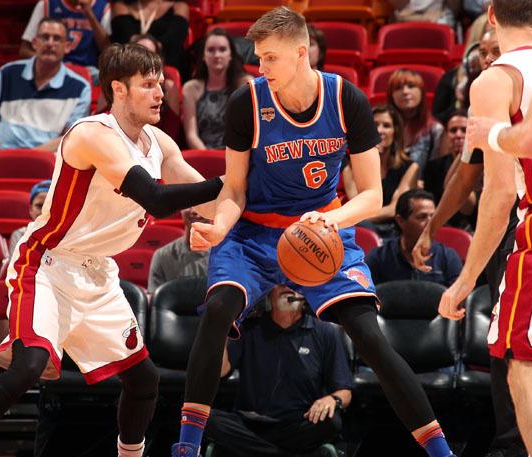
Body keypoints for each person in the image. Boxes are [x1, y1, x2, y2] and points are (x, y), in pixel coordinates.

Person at [173, 7, 456, 457]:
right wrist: (218, 226)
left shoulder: (347, 100)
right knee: (217, 310)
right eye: (259, 58)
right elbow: (235, 189)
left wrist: (331, 221)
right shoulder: (247, 101)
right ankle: (185, 446)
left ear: (301, 53)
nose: (259, 68)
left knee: (369, 336)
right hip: (254, 233)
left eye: (269, 58)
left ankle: (441, 451)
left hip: (321, 229)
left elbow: (372, 194)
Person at [0, 43, 225, 457]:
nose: (161, 93)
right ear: (118, 89)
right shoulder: (91, 134)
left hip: (98, 272)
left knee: (144, 381)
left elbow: (208, 198)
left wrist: (257, 199)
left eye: (161, 84)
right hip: (48, 261)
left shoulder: (159, 141)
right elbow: (156, 198)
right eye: (149, 85)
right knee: (27, 367)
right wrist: (226, 186)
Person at [436, 2, 532, 457]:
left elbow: (500, 194)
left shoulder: (496, 80)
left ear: (491, 15)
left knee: (524, 367)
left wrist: (464, 281)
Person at [411, 28, 526, 457]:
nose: (488, 59)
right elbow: (465, 175)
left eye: (497, 51)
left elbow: (488, 189)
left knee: (517, 340)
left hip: (528, 223)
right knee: (509, 339)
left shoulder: (528, 90)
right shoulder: (488, 103)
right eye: (483, 52)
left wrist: (461, 279)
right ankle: (513, 443)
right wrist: (432, 227)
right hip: (513, 228)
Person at [204, 286, 353, 457]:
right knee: (207, 418)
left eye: (295, 283)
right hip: (250, 424)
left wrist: (332, 399)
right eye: (281, 283)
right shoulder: (248, 328)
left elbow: (345, 391)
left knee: (331, 421)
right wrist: (221, 329)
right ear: (269, 294)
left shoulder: (325, 332)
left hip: (299, 425)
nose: (288, 287)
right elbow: (221, 371)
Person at [0, 18, 91, 163]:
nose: (50, 43)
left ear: (67, 46)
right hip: (3, 150)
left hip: (47, 157)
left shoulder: (80, 87)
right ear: (34, 43)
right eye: (44, 37)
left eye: (57, 39)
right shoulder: (8, 73)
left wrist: (28, 156)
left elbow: (71, 137)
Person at [344, 104, 419, 238]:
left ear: (395, 132)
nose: (380, 130)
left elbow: (394, 209)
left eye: (386, 125)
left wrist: (361, 217)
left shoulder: (410, 167)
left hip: (394, 232)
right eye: (375, 124)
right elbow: (357, 206)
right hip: (363, 229)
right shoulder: (350, 166)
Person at [366, 189, 462, 286]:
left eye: (433, 217)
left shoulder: (447, 257)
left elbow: (460, 297)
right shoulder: (379, 258)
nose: (430, 223)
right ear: (400, 221)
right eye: (422, 217)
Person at [183, 28, 251, 150]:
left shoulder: (245, 84)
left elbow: (251, 131)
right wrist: (209, 159)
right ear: (203, 56)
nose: (217, 55)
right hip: (203, 155)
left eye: (222, 49)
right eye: (211, 50)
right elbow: (191, 135)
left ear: (231, 55)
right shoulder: (191, 89)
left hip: (238, 156)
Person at [19, 0, 111, 83]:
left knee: (109, 81)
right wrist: (50, 61)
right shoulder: (46, 4)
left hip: (88, 70)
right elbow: (24, 50)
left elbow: (108, 51)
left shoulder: (103, 7)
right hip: (54, 67)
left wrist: (90, 15)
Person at [387, 68, 444, 176]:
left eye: (411, 86)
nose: (405, 92)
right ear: (391, 95)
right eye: (398, 88)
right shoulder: (382, 127)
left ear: (422, 92)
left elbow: (437, 172)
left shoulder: (435, 129)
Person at [110, 0, 189, 76]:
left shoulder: (179, 7)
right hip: (127, 69)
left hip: (166, 72)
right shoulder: (121, 6)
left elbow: (171, 43)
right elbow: (124, 41)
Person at [130, 33, 181, 139]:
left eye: (150, 55)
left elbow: (172, 131)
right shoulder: (118, 85)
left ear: (160, 60)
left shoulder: (169, 88)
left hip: (159, 148)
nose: (145, 60)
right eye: (140, 54)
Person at [147, 208, 210, 294]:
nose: (194, 211)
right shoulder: (162, 255)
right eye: (188, 204)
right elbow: (155, 300)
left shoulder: (228, 253)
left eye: (202, 205)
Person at [423, 109, 469, 205]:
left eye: (464, 130)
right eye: (453, 130)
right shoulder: (433, 167)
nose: (458, 135)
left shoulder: (483, 166)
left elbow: (469, 207)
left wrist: (465, 152)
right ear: (446, 135)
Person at [8, 180, 51, 254]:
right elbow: (14, 264)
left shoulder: (67, 236)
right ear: (31, 209)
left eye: (49, 206)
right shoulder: (20, 234)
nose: (43, 211)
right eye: (39, 206)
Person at [387, 0, 460, 27]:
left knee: (442, 23)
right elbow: (399, 14)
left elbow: (455, 9)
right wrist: (423, 18)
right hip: (407, 14)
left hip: (438, 15)